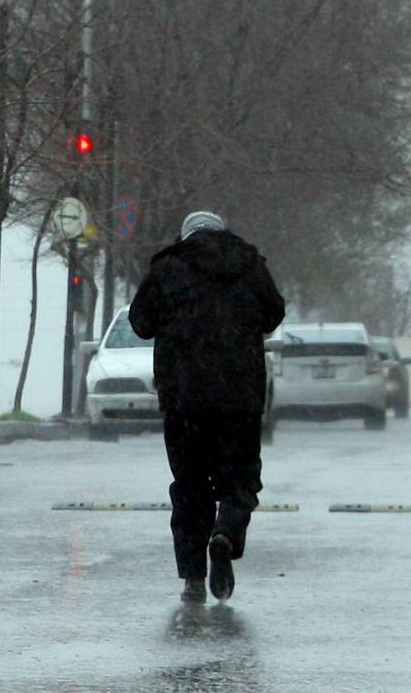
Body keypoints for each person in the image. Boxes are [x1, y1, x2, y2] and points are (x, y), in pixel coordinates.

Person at [129, 210, 285, 604]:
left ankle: (193, 577)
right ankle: (225, 534)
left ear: (185, 235)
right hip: (240, 398)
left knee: (190, 487)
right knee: (240, 480)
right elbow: (273, 314)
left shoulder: (168, 268)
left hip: (184, 400)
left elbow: (140, 323)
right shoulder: (250, 265)